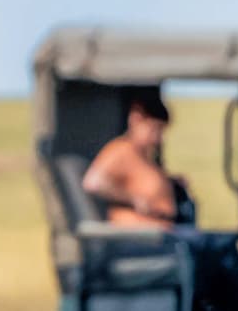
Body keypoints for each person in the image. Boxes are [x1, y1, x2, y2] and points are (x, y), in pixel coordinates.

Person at [83, 90, 194, 227]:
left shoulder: (144, 155)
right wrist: (134, 200)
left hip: (164, 231)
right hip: (139, 235)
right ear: (136, 119)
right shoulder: (121, 149)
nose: (158, 137)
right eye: (155, 129)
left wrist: (170, 182)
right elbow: (94, 182)